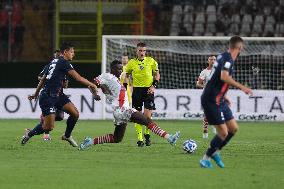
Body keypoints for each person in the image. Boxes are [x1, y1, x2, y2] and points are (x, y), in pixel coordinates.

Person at [79, 60, 180, 150]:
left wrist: (102, 88)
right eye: (118, 69)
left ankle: (90, 142)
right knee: (147, 120)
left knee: (117, 138)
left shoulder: (117, 80)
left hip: (120, 112)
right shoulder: (107, 76)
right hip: (122, 110)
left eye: (121, 69)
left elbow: (104, 87)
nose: (120, 71)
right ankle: (169, 137)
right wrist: (95, 94)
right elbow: (91, 83)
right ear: (112, 69)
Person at [21, 42, 98, 147]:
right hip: (48, 97)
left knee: (75, 114)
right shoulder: (64, 63)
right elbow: (78, 78)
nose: (73, 54)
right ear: (65, 52)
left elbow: (44, 78)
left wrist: (35, 93)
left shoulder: (54, 62)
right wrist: (92, 85)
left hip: (58, 95)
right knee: (48, 127)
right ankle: (29, 133)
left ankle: (67, 135)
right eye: (71, 52)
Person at [199, 36, 253, 168]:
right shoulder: (228, 59)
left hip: (219, 98)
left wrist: (224, 95)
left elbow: (216, 78)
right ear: (240, 48)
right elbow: (224, 77)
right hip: (211, 99)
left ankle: (215, 151)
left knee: (233, 129)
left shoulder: (222, 56)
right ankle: (206, 158)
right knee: (223, 132)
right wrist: (242, 87)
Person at [125, 42, 160, 147]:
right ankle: (140, 139)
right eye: (140, 50)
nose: (142, 52)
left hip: (148, 90)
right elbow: (126, 75)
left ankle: (147, 134)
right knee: (138, 116)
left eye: (144, 50)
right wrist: (128, 85)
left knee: (147, 115)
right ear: (136, 51)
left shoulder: (151, 61)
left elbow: (157, 74)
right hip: (137, 91)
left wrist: (153, 86)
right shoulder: (131, 62)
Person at [30, 50, 65, 141]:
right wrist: (48, 79)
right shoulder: (49, 66)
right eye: (56, 56)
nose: (57, 57)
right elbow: (40, 77)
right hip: (49, 94)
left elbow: (65, 84)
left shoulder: (64, 67)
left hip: (59, 95)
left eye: (58, 55)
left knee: (60, 116)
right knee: (50, 115)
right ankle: (46, 134)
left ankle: (39, 125)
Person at [196, 55, 217, 139]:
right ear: (208, 61)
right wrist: (205, 85)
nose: (213, 61)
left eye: (214, 59)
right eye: (211, 59)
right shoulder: (204, 71)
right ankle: (205, 131)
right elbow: (198, 83)